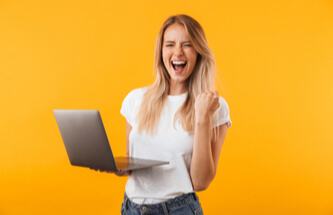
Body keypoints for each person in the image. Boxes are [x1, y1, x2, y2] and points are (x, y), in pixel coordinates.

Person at [118, 14, 231, 215]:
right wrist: (117, 166)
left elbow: (201, 181)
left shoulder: (214, 106)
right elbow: (131, 162)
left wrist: (202, 118)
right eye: (170, 44)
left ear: (198, 52)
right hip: (131, 208)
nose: (177, 52)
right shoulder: (136, 99)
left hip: (178, 210)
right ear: (161, 51)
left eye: (187, 45)